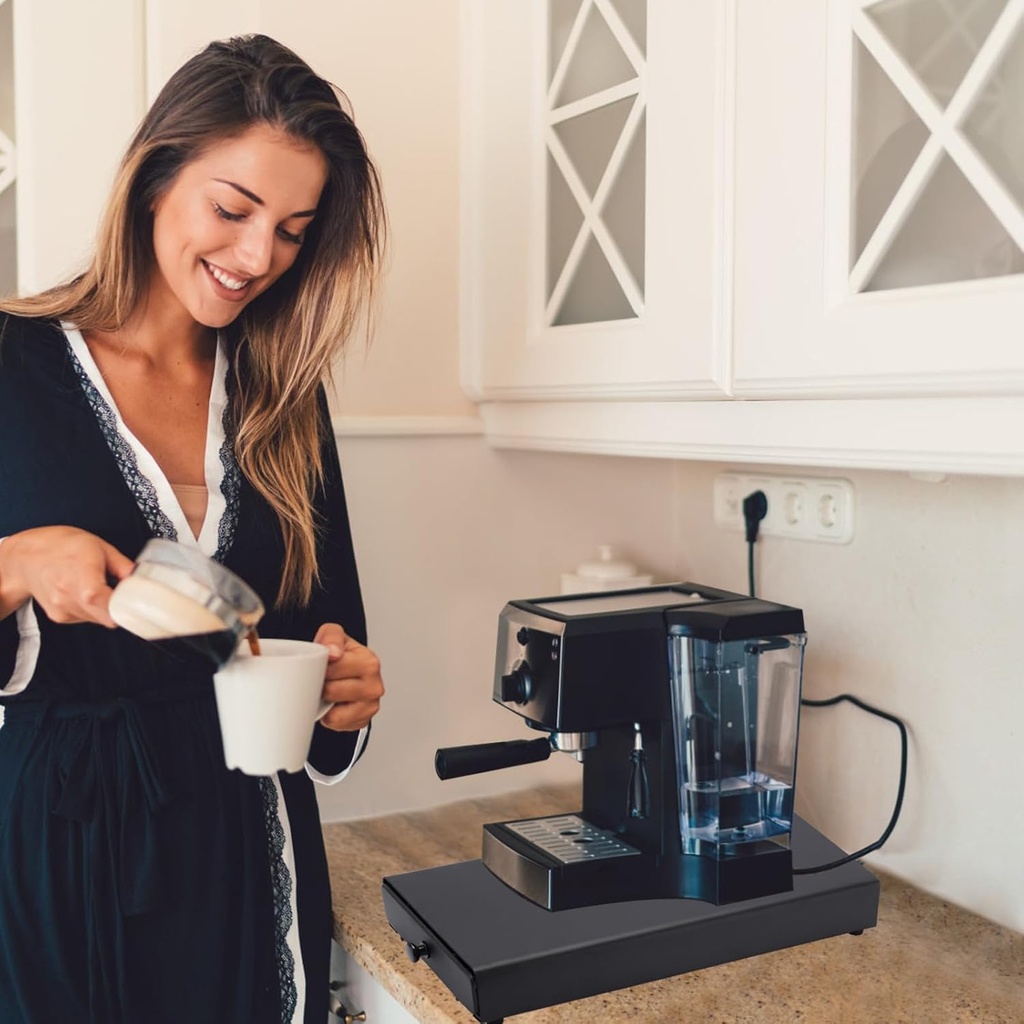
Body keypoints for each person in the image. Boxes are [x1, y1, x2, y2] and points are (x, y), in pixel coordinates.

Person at [0, 34, 386, 1024]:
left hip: (248, 845)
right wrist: (13, 565)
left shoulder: (286, 399)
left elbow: (325, 631)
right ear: (154, 178)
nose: (259, 256)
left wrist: (347, 689)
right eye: (234, 209)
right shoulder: (12, 363)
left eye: (296, 230)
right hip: (67, 844)